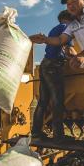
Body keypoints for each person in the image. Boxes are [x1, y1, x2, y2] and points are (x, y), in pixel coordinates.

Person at [30, 10, 76, 143]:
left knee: (43, 102)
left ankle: (36, 133)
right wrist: (81, 57)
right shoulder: (66, 29)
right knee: (57, 101)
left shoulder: (55, 29)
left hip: (45, 64)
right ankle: (58, 136)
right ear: (70, 19)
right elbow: (70, 51)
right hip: (54, 67)